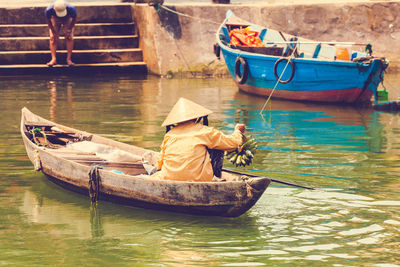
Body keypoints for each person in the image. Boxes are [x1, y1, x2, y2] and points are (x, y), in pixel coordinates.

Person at [152, 97, 246, 182]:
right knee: (218, 147)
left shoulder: (169, 134)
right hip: (199, 179)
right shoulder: (205, 131)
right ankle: (216, 177)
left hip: (167, 177)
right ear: (196, 117)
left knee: (154, 173)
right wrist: (238, 131)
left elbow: (160, 163)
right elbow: (233, 143)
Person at [45, 0, 77, 66]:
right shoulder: (49, 10)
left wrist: (69, 30)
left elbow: (74, 19)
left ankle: (69, 59)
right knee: (52, 38)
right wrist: (53, 32)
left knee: (69, 37)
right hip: (55, 19)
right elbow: (48, 21)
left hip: (67, 18)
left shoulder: (71, 8)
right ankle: (53, 59)